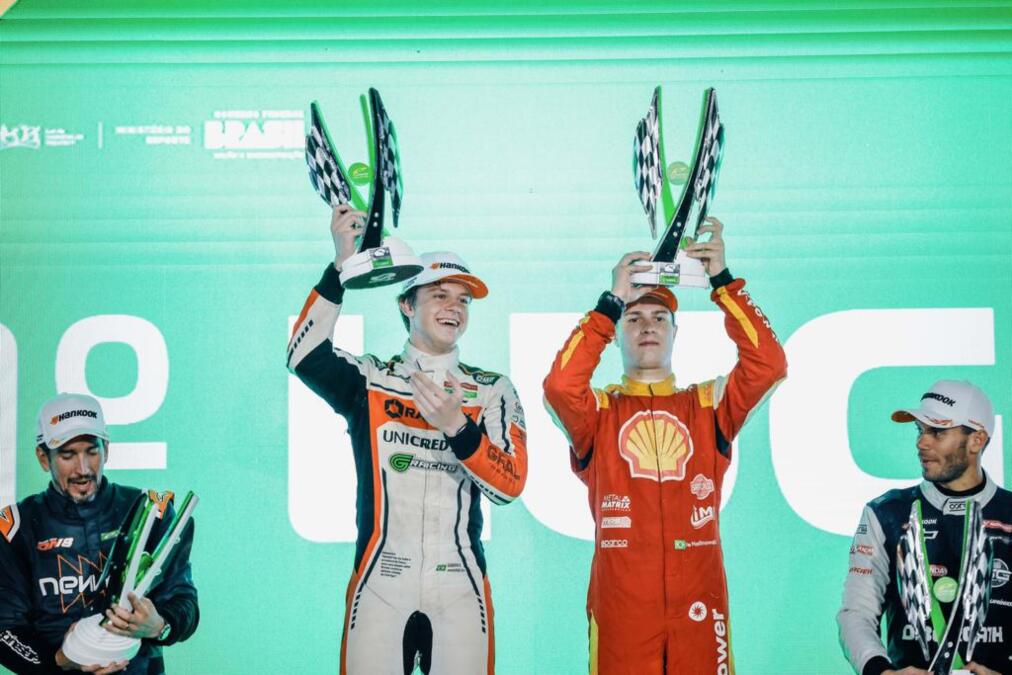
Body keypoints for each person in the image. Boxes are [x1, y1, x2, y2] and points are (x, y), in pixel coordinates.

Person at [286, 204, 528, 674]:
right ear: (406, 304)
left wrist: (459, 429)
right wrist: (340, 268)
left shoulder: (492, 389)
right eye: (439, 295)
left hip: (460, 587)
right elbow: (303, 357)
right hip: (381, 584)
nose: (454, 307)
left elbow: (509, 487)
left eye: (463, 300)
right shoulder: (372, 380)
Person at [542, 217, 787, 674]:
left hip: (701, 608)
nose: (647, 327)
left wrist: (723, 282)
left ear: (677, 332)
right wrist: (609, 304)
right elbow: (559, 385)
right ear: (616, 333)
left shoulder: (708, 405)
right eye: (633, 318)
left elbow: (769, 364)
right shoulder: (599, 412)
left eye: (659, 318)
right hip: (622, 610)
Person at [0, 393, 199, 674]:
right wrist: (60, 661)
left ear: (106, 448)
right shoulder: (16, 528)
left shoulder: (149, 512)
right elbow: (5, 629)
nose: (83, 469)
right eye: (68, 455)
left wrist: (160, 626)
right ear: (44, 458)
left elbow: (184, 601)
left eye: (91, 451)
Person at [838, 380, 1010, 675]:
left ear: (976, 440)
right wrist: (883, 672)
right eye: (920, 430)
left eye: (937, 432)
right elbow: (856, 612)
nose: (922, 443)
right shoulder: (886, 512)